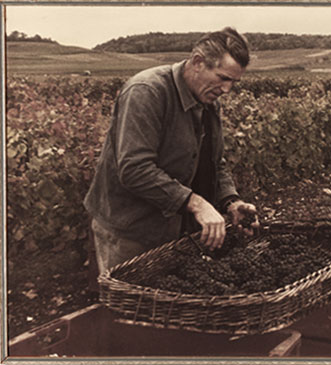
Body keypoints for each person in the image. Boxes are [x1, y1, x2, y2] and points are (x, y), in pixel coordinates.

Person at [84, 27, 259, 274]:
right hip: (131, 229)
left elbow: (214, 162)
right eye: (222, 77)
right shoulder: (147, 91)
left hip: (175, 228)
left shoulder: (208, 101)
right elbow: (134, 169)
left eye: (233, 81)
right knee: (133, 307)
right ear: (198, 62)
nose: (227, 89)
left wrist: (231, 201)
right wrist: (197, 204)